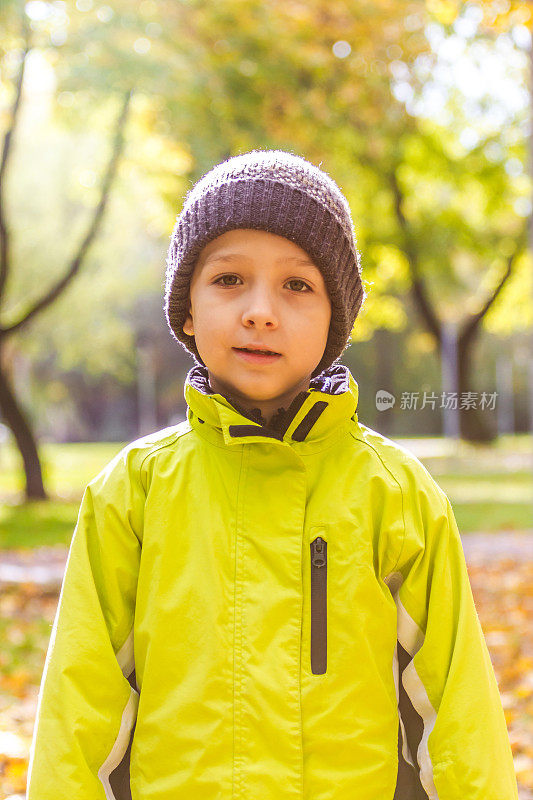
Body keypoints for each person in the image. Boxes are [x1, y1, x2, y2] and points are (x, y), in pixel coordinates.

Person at [26, 149, 518, 800]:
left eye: (297, 285)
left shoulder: (395, 496)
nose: (260, 310)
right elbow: (78, 714)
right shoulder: (131, 494)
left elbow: (457, 717)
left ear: (333, 324)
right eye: (229, 280)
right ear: (187, 311)